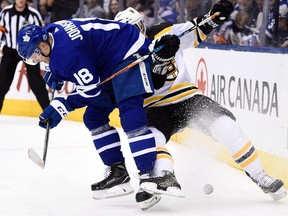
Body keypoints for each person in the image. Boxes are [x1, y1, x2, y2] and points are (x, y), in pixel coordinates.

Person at [113, 0, 286, 209]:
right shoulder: (117, 58)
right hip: (153, 108)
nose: (130, 36)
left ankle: (260, 175)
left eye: (133, 30)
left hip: (186, 98)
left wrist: (216, 15)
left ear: (141, 26)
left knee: (226, 126)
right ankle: (156, 178)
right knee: (151, 138)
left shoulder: (163, 31)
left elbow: (195, 29)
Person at [16, 14, 182, 203]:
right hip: (107, 61)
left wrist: (64, 105)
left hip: (129, 51)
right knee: (94, 117)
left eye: (36, 56)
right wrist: (53, 70)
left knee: (130, 114)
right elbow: (77, 58)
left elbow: (91, 90)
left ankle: (149, 174)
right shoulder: (51, 31)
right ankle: (118, 172)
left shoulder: (67, 54)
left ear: (44, 46)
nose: (38, 60)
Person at [0, 0, 49, 113]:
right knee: (2, 83)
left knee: (35, 81)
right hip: (10, 51)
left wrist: (40, 51)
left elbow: (41, 33)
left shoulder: (33, 14)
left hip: (30, 52)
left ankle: (48, 112)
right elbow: (1, 30)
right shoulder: (5, 13)